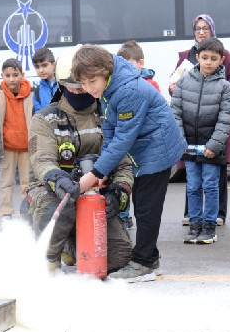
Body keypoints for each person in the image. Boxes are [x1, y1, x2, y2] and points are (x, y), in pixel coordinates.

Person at [73, 44, 186, 282]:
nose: (87, 88)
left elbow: (124, 138)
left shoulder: (128, 90)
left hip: (158, 149)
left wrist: (94, 173)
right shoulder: (110, 86)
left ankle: (144, 264)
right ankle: (150, 257)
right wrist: (104, 169)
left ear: (105, 71)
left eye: (91, 81)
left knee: (146, 208)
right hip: (145, 149)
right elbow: (112, 130)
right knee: (143, 204)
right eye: (83, 83)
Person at [26, 47, 133, 273]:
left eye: (86, 85)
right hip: (53, 192)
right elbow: (43, 161)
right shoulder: (45, 119)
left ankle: (72, 245)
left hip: (96, 195)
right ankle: (50, 253)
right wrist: (61, 181)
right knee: (61, 206)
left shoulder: (109, 115)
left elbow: (123, 164)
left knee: (117, 258)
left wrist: (118, 193)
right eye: (74, 87)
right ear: (62, 86)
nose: (81, 91)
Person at [169, 14, 230, 227]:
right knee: (192, 182)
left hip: (213, 134)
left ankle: (214, 218)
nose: (201, 31)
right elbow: (176, 102)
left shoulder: (225, 65)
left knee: (213, 180)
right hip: (189, 137)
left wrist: (215, 142)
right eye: (198, 28)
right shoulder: (185, 60)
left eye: (205, 27)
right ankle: (193, 218)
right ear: (198, 57)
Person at [116, 39, 160, 230]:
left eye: (129, 63)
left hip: (144, 144)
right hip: (127, 143)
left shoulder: (151, 84)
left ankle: (142, 218)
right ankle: (123, 216)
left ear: (141, 63)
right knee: (124, 180)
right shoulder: (119, 85)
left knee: (142, 187)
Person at [0, 58, 33, 217]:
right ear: (2, 76)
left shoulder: (31, 95)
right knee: (5, 183)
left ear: (23, 75)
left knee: (29, 184)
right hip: (7, 149)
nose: (11, 79)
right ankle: (6, 214)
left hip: (27, 148)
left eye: (15, 75)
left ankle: (28, 214)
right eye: (8, 75)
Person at [32, 47, 58, 114]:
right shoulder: (37, 91)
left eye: (44, 65)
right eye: (37, 67)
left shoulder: (63, 85)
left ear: (53, 65)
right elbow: (38, 115)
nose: (41, 70)